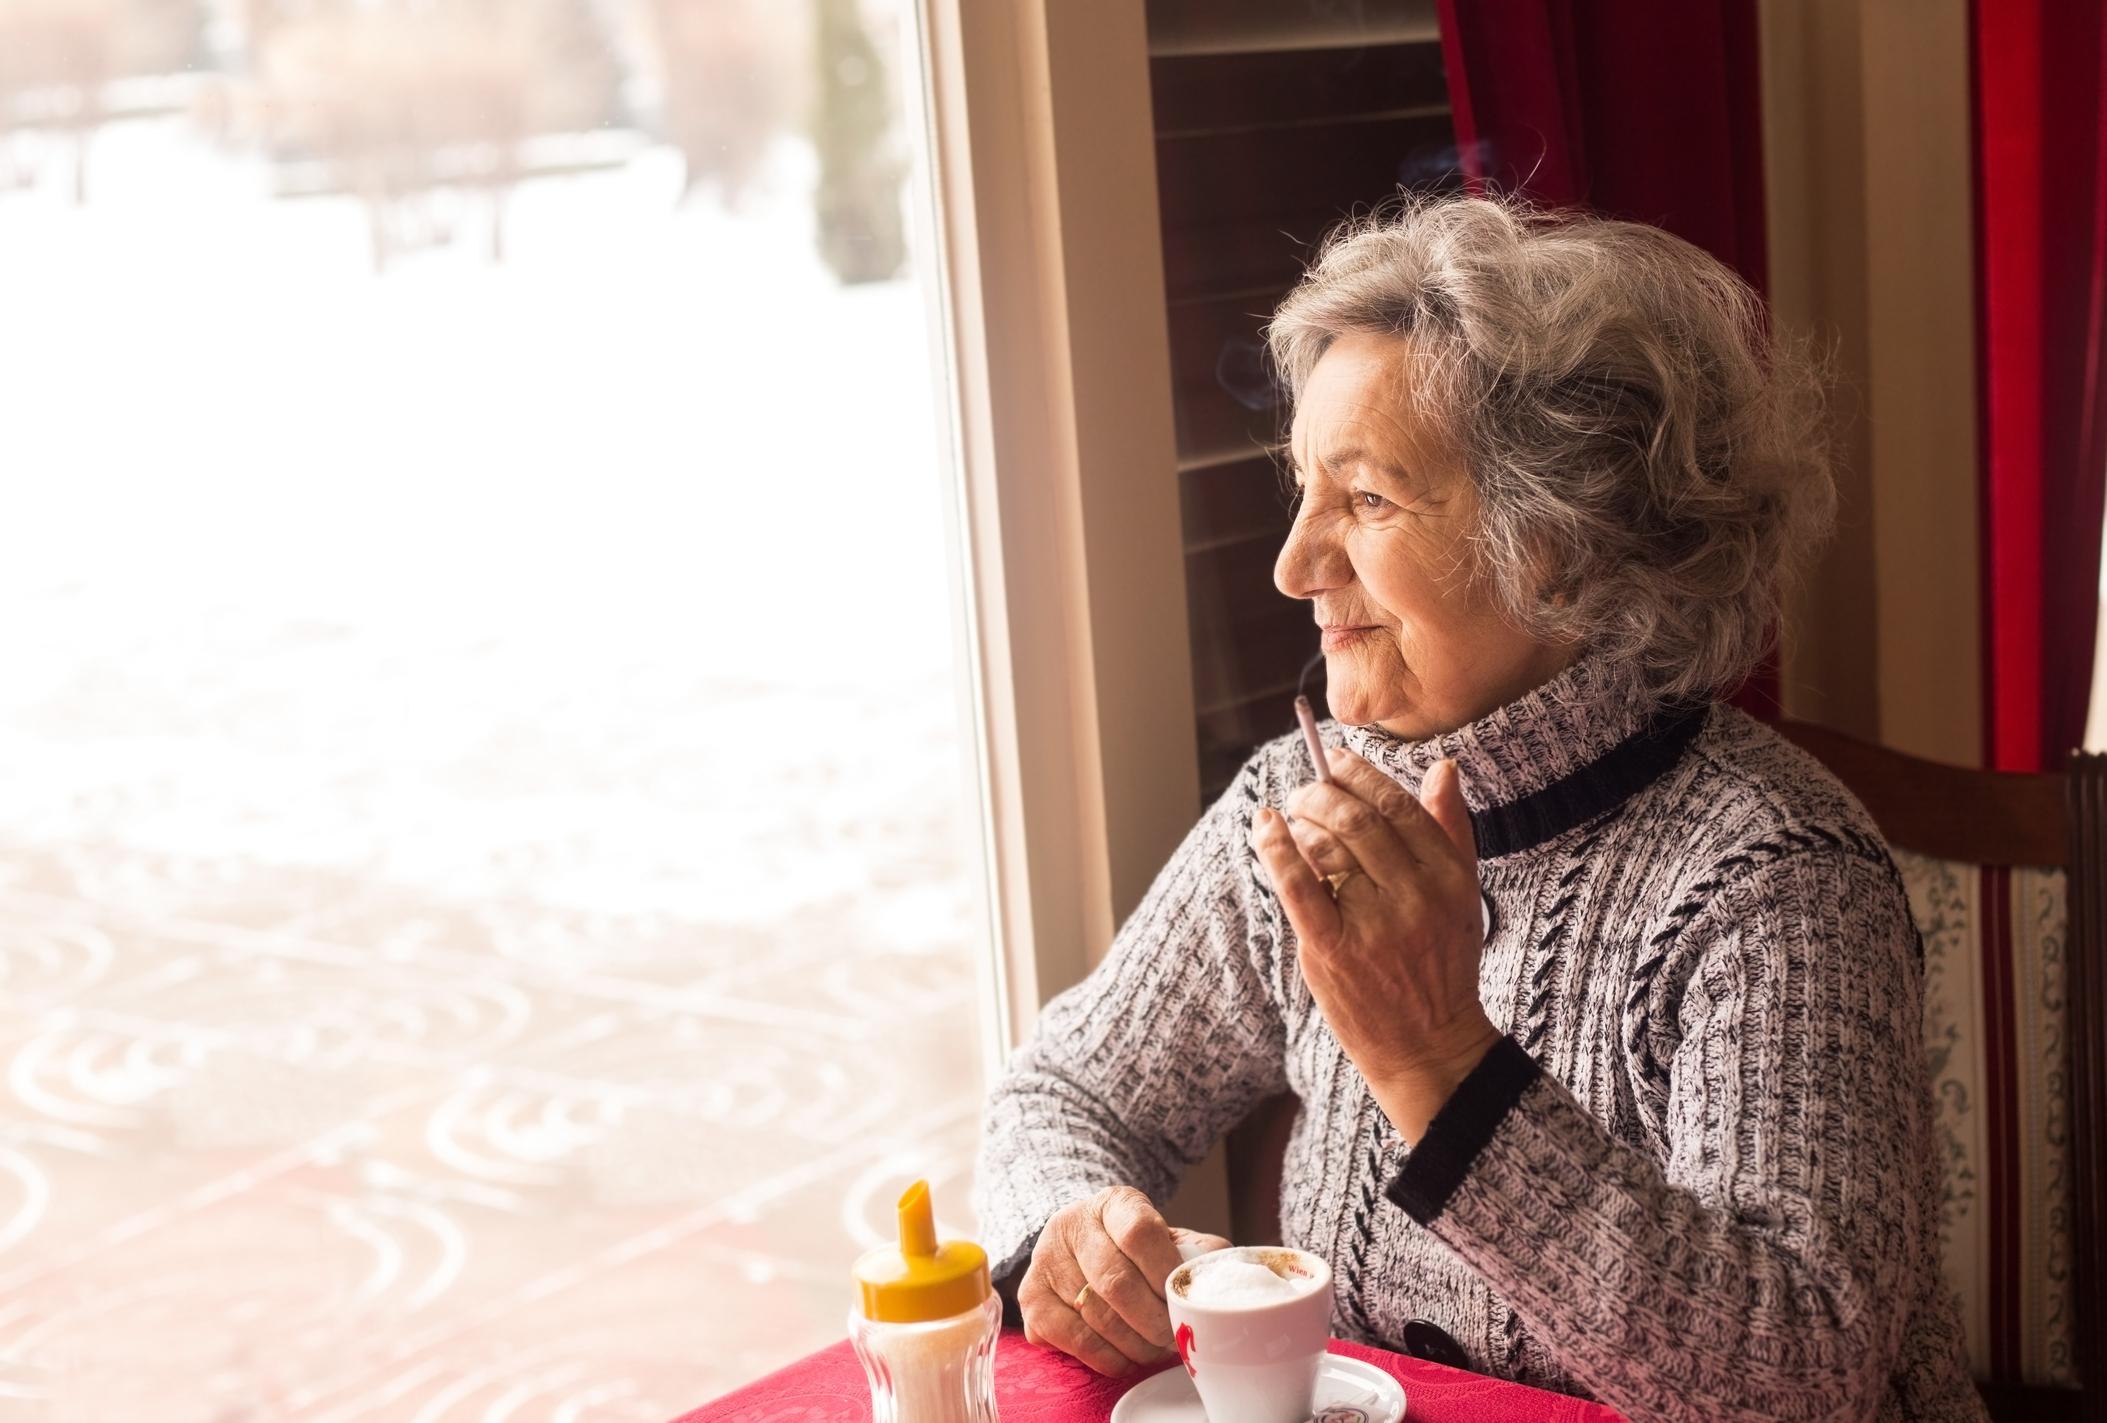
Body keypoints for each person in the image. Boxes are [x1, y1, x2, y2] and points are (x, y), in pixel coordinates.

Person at [971, 194, 1985, 1423]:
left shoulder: (1772, 874)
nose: (1294, 566)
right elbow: (1068, 1090)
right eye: (1302, 490)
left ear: (1556, 541)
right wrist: (1066, 1227)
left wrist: (1437, 1061)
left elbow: (1803, 1376)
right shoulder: (1305, 802)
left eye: (1368, 500)